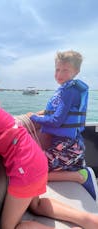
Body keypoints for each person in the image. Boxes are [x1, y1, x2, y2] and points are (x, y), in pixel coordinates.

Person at [0, 64, 98, 229]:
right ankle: (89, 220)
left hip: (26, 169)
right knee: (35, 205)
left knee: (11, 227)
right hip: (36, 161)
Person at [27, 50, 98, 202]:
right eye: (57, 69)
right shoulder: (65, 90)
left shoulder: (69, 92)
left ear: (76, 72)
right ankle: (77, 169)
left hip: (66, 147)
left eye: (65, 70)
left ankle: (79, 176)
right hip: (72, 145)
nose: (60, 74)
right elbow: (53, 112)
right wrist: (40, 114)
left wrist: (33, 117)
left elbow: (56, 121)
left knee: (36, 173)